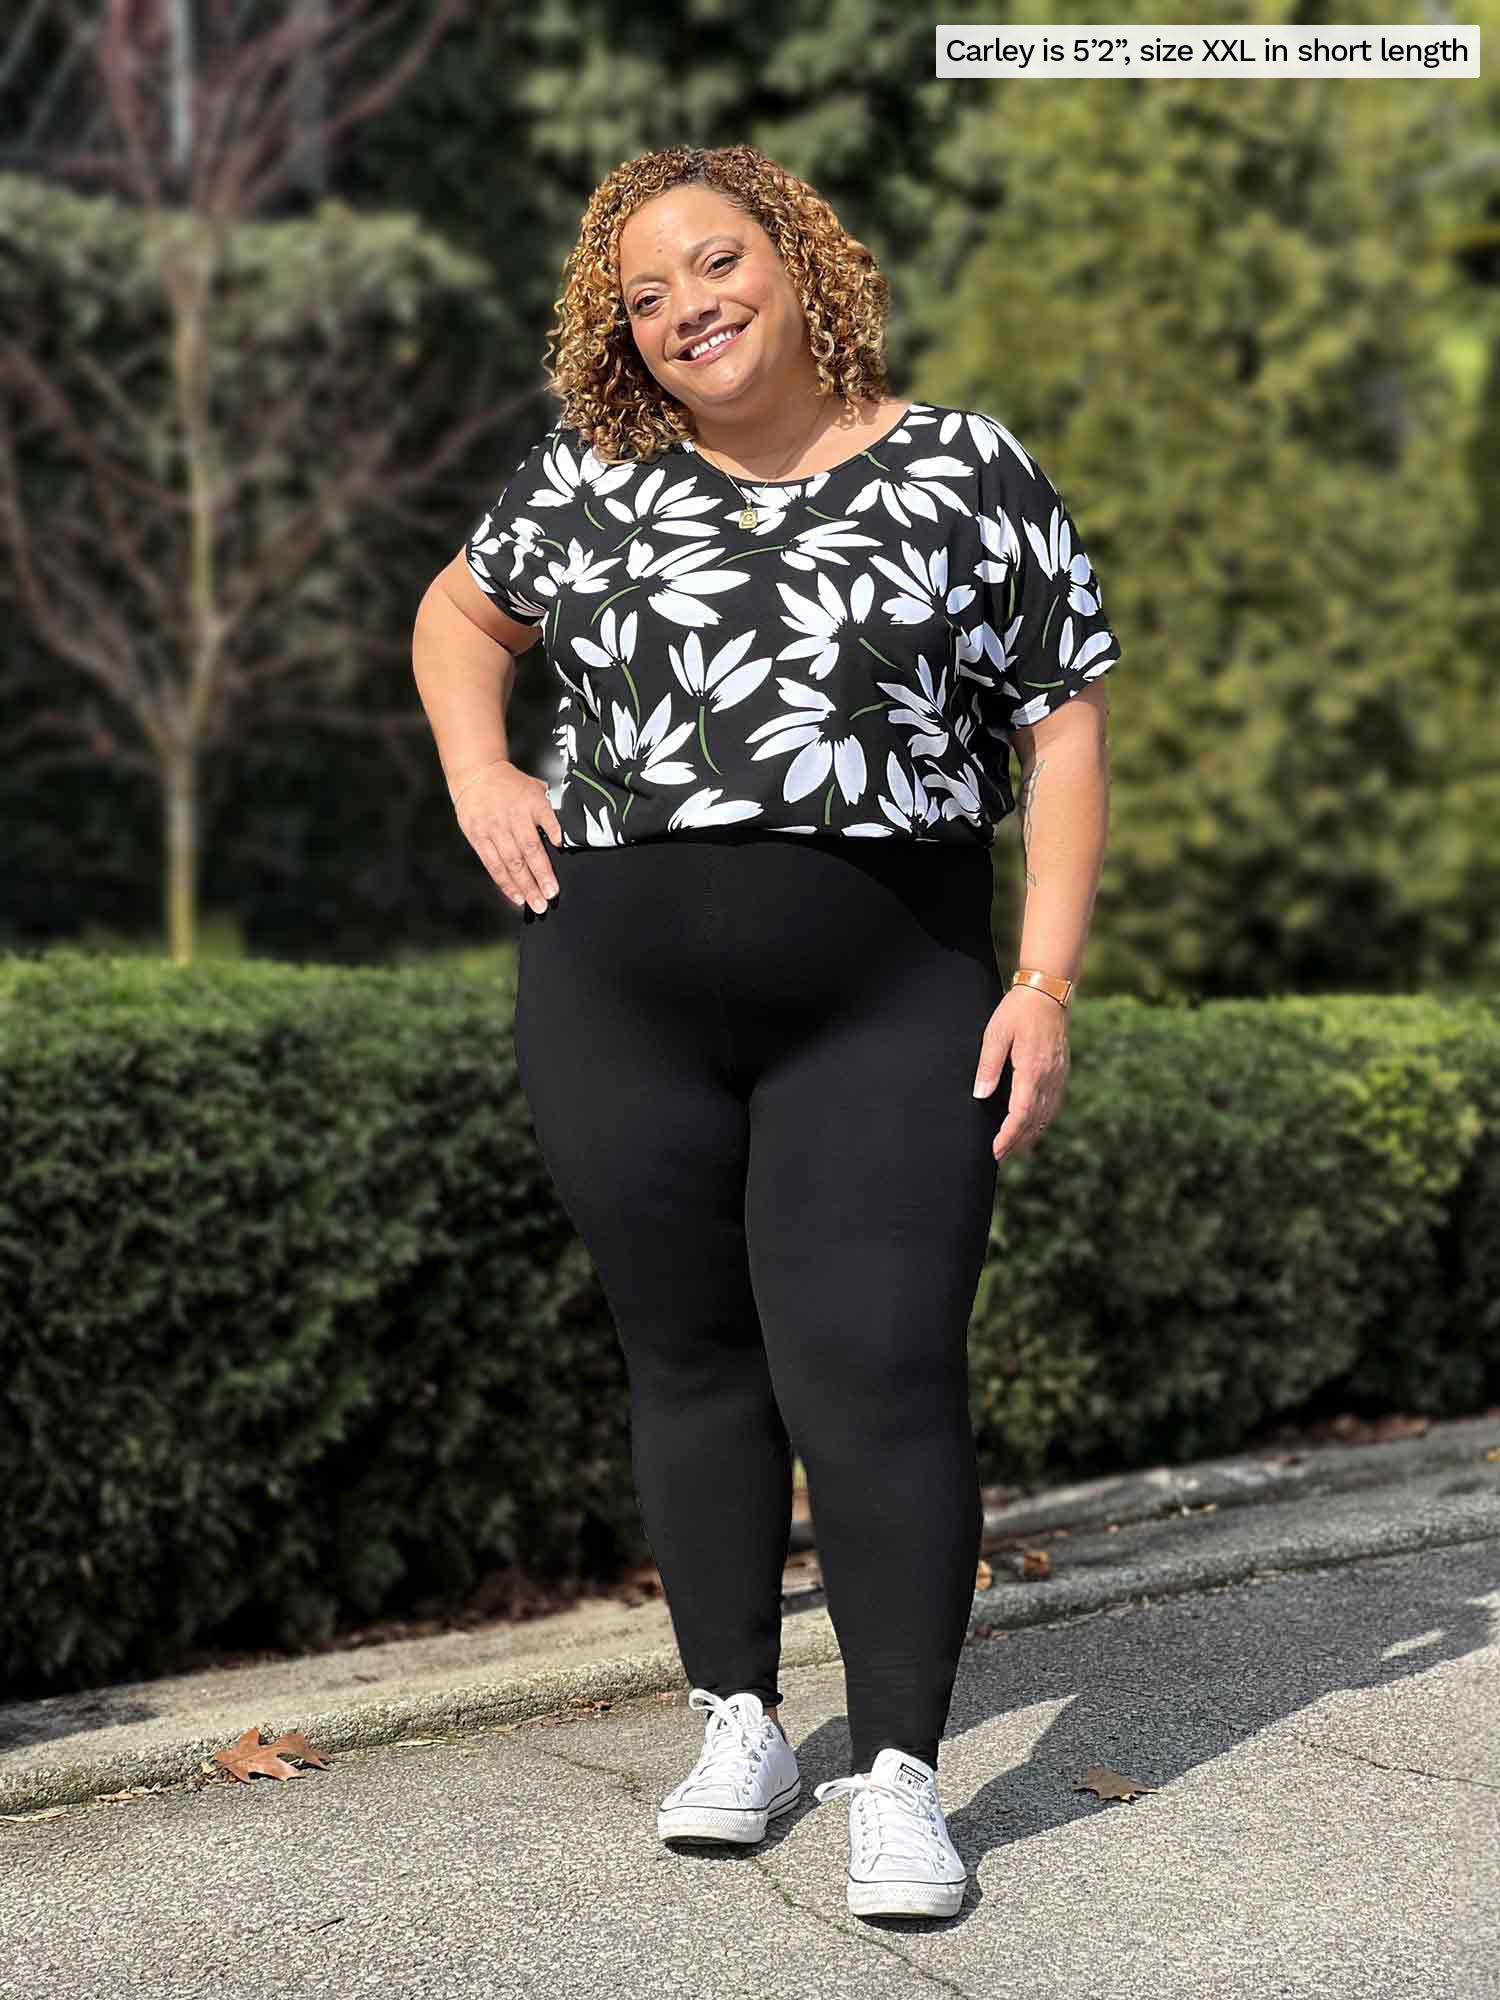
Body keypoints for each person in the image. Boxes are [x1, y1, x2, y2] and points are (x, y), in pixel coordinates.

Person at [410, 141, 1121, 1923]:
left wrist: (1042, 984)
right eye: (644, 295)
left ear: (801, 264)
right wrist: (482, 769)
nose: (687, 310)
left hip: (890, 996)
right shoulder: (592, 471)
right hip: (614, 998)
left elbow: (1065, 728)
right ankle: (738, 1715)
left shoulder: (965, 471)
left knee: (879, 1368)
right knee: (690, 1361)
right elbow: (458, 614)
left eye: (716, 264)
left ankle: (902, 1772)